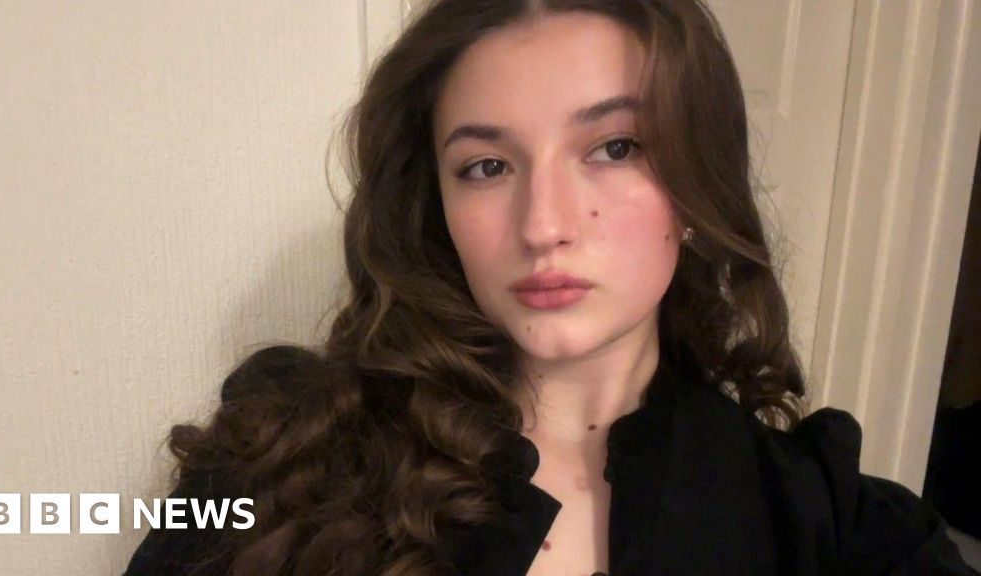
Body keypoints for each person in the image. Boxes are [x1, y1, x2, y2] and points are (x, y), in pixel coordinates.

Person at [122, 1, 979, 574]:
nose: (543, 225)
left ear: (696, 185)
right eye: (486, 166)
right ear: (436, 205)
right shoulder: (278, 461)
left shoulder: (823, 515)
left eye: (614, 148)